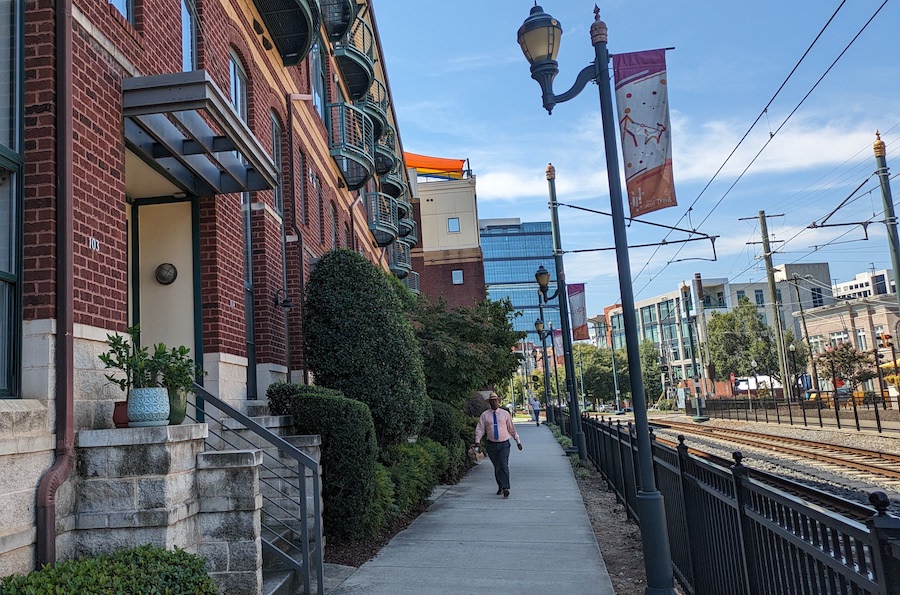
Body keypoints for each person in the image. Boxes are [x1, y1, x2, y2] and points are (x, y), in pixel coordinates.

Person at [474, 393, 522, 498]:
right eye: (492, 401)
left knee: (503, 465)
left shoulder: (505, 414)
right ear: (489, 403)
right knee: (497, 466)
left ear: (498, 402)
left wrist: (517, 441)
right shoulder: (485, 415)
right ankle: (500, 485)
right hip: (491, 445)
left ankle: (506, 488)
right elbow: (480, 429)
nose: (494, 402)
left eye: (495, 400)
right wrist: (477, 441)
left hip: (504, 443)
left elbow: (511, 429)